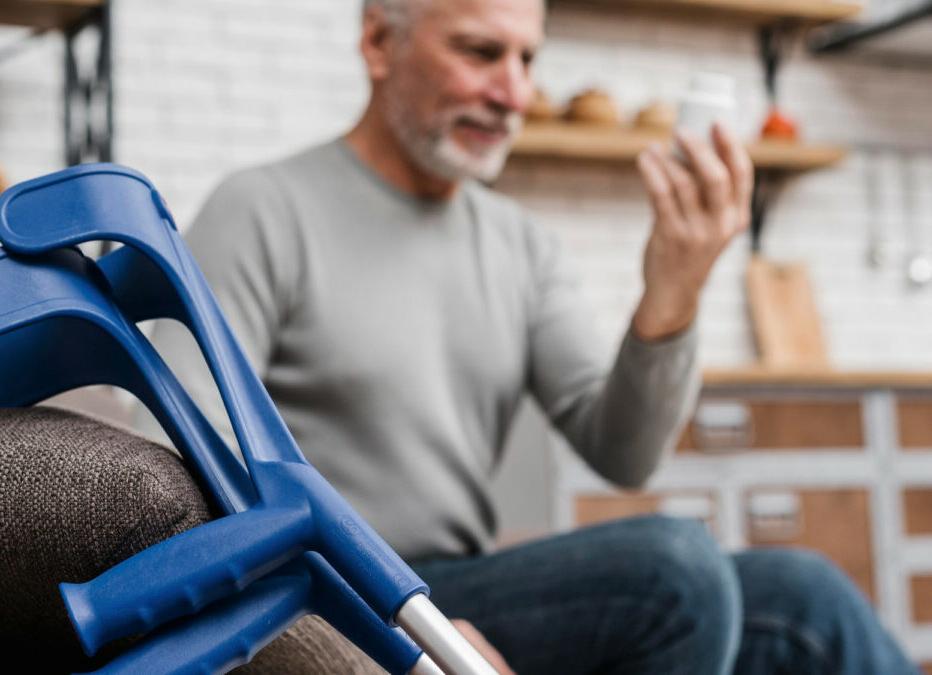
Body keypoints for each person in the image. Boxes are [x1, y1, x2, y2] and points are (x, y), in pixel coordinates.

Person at [143, 0, 920, 672]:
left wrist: (673, 290)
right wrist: (386, 614)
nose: (515, 91)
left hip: (464, 584)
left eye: (527, 58)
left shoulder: (520, 243)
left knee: (803, 592)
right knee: (675, 567)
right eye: (481, 52)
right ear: (380, 43)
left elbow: (623, 452)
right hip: (339, 585)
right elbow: (177, 465)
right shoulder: (263, 210)